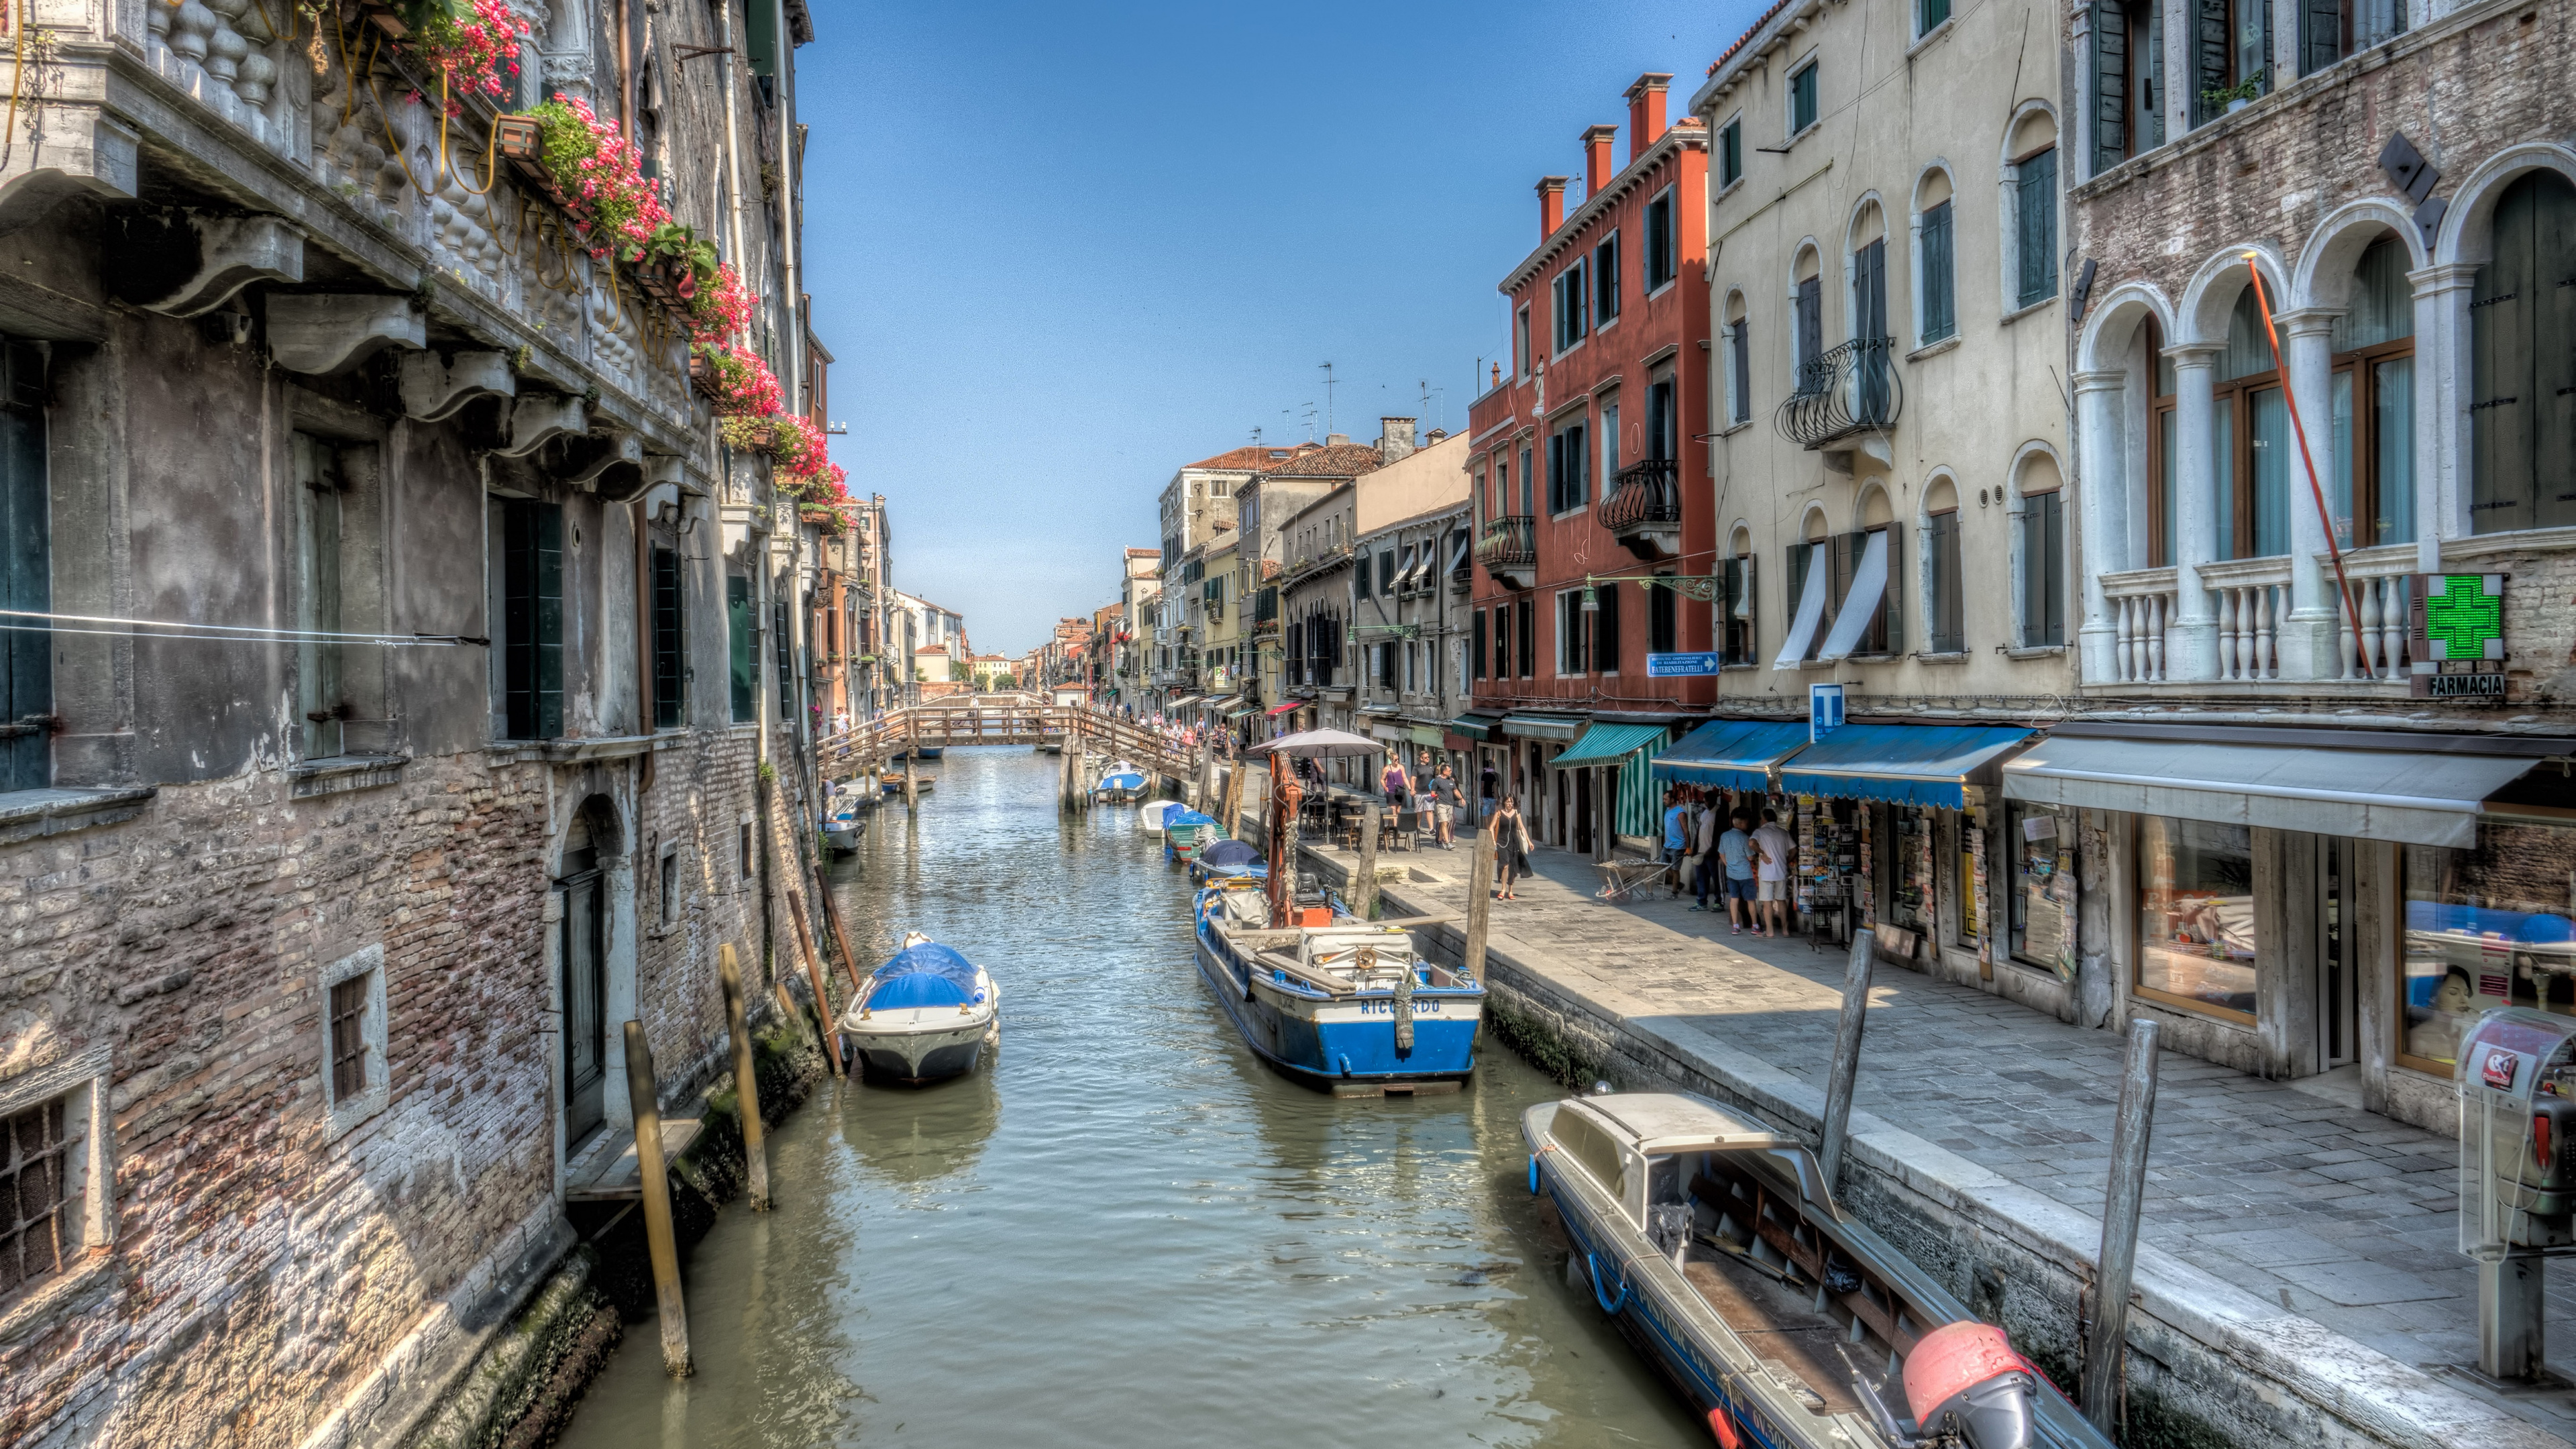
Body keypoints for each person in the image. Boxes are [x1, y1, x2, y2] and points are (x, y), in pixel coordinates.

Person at [1752, 808, 1796, 938]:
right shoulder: (1783, 833)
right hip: (1781, 872)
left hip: (1766, 873)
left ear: (1764, 819)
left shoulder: (1760, 832)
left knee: (1767, 902)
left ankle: (1770, 932)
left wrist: (1761, 853)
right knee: (1781, 901)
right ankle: (1785, 930)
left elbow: (1751, 843)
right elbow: (1794, 850)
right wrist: (1785, 861)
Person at [1713, 812, 1759, 932]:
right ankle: (1755, 925)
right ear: (1740, 824)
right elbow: (1750, 858)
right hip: (1746, 874)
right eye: (1746, 823)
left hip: (1731, 873)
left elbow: (1721, 853)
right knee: (1750, 899)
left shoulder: (1725, 836)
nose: (1748, 825)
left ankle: (1735, 926)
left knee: (1734, 899)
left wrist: (1728, 864)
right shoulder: (1745, 838)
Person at [1492, 794, 1532, 900]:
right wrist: (1493, 841)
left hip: (1514, 843)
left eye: (1511, 802)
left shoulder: (1517, 814)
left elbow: (1522, 828)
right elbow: (1491, 827)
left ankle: (1510, 891)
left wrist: (1529, 841)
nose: (1510, 804)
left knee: (1513, 868)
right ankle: (1503, 889)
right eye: (1508, 802)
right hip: (1501, 843)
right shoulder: (1499, 813)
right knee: (1505, 865)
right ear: (1504, 802)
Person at [1427, 761, 1462, 849]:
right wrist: (1436, 797)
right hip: (1441, 804)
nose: (1451, 772)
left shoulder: (1451, 781)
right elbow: (1432, 792)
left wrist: (1462, 798)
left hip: (1450, 804)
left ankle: (1439, 841)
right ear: (1444, 772)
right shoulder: (1437, 781)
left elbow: (1455, 791)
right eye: (1449, 771)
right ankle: (1447, 843)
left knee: (1446, 823)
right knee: (1444, 823)